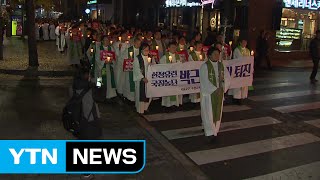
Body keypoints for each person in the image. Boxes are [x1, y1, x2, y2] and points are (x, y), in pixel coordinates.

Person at [200, 47, 229, 140]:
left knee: (217, 113)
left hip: (219, 93)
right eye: (215, 54)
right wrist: (214, 89)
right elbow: (204, 80)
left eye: (218, 54)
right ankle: (209, 132)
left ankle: (215, 130)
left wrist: (223, 81)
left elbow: (228, 78)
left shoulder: (221, 66)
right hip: (209, 95)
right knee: (208, 113)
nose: (217, 56)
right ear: (209, 55)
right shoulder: (204, 66)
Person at [159, 42, 183, 109]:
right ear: (168, 48)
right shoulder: (164, 57)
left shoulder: (179, 56)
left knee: (177, 91)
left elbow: (182, 65)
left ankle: (177, 104)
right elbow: (161, 67)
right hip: (168, 77)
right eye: (172, 47)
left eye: (175, 47)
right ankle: (167, 105)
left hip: (177, 77)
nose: (174, 49)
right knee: (168, 91)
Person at [229, 39, 250, 105]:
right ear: (240, 43)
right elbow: (236, 59)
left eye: (245, 42)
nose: (244, 43)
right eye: (243, 42)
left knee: (243, 84)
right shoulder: (237, 50)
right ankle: (236, 98)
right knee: (237, 85)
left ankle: (241, 97)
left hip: (245, 70)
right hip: (238, 69)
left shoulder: (247, 50)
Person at [133, 43, 152, 114]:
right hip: (141, 80)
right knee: (141, 94)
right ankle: (140, 110)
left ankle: (146, 107)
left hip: (149, 79)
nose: (147, 52)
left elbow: (154, 67)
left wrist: (152, 65)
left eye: (148, 50)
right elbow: (136, 69)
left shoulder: (150, 57)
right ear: (141, 50)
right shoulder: (137, 58)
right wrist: (142, 77)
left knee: (148, 93)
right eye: (145, 50)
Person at [122, 37, 142, 102]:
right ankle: (129, 98)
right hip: (130, 71)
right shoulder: (128, 50)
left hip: (138, 71)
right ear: (134, 43)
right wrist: (129, 62)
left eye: (139, 44)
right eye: (137, 44)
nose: (138, 45)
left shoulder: (141, 50)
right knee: (129, 84)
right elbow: (123, 59)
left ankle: (136, 98)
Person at [113, 30, 130, 96]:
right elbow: (116, 54)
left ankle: (123, 91)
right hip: (119, 63)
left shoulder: (128, 44)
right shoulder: (116, 44)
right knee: (118, 76)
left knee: (124, 78)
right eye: (124, 36)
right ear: (121, 36)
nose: (125, 37)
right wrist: (119, 49)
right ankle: (118, 91)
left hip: (125, 63)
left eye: (126, 36)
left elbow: (129, 53)